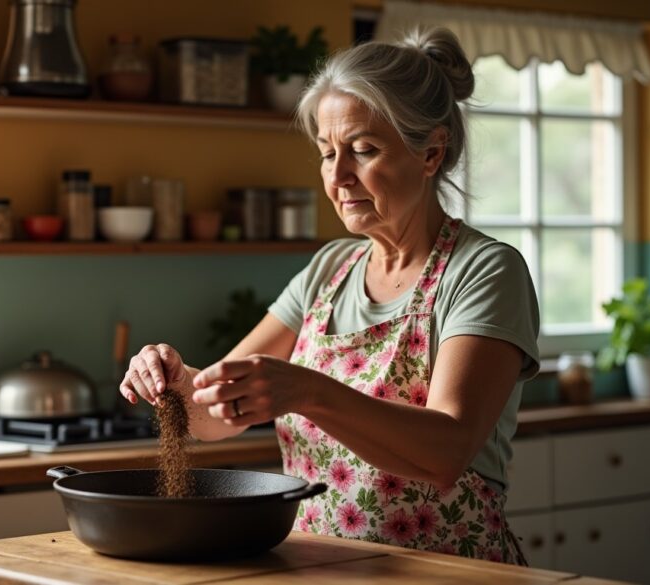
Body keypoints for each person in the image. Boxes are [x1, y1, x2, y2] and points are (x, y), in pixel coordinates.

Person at [120, 27, 539, 565]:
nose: (338, 176)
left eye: (363, 151)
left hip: (449, 573)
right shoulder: (330, 269)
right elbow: (216, 412)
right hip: (322, 569)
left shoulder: (484, 272)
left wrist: (308, 392)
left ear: (431, 152)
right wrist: (175, 381)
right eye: (326, 153)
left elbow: (446, 451)